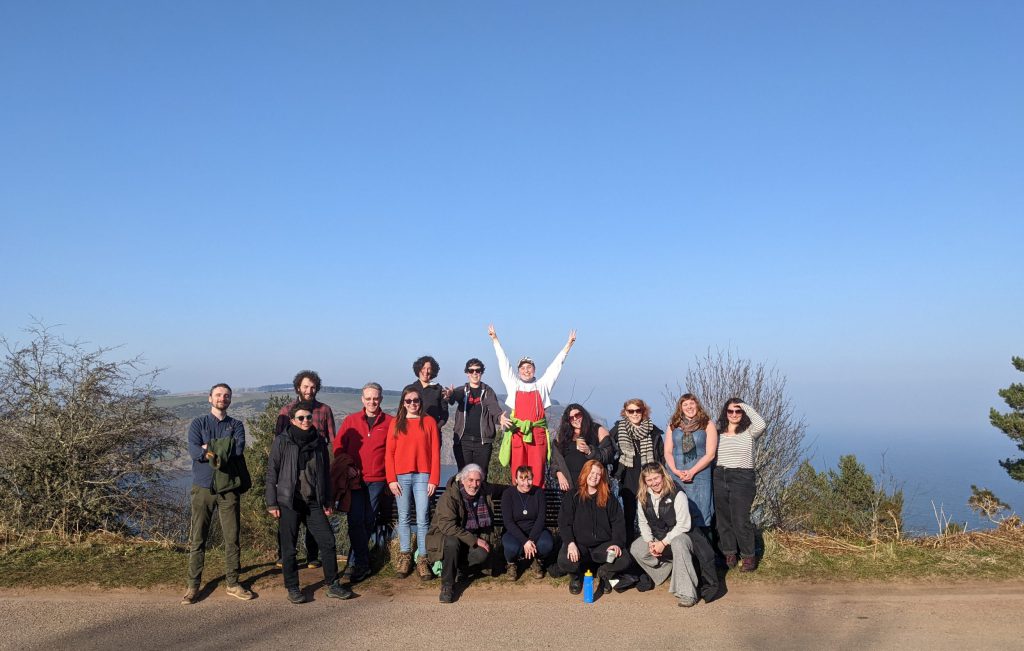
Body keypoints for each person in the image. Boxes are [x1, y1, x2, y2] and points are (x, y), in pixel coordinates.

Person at [266, 401, 353, 604]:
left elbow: (325, 473)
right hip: (289, 501)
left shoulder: (319, 442)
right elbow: (272, 472)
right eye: (301, 418)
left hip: (313, 500)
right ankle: (293, 588)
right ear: (292, 420)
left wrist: (328, 499)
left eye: (308, 417)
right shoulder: (282, 441)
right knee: (289, 548)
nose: (306, 421)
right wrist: (272, 502)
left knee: (328, 542)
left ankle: (333, 584)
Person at [182, 383, 253, 605]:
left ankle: (233, 583)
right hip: (202, 487)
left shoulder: (236, 425)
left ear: (230, 400)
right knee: (198, 538)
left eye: (226, 395)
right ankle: (193, 585)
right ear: (210, 398)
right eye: (219, 395)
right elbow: (194, 451)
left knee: (232, 538)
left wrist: (208, 448)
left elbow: (238, 449)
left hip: (228, 488)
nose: (223, 398)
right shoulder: (198, 423)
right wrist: (220, 449)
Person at [489, 324, 576, 487]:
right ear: (518, 371)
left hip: (537, 434)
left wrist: (568, 346)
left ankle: (537, 507)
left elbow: (555, 367)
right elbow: (503, 363)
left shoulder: (543, 386)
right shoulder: (513, 384)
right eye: (523, 367)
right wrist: (495, 340)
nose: (526, 370)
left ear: (534, 370)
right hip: (519, 433)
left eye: (529, 367)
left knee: (537, 473)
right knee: (518, 472)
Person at [274, 370, 337, 570]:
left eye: (312, 387)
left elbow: (332, 440)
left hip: (315, 466)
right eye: (305, 386)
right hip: (291, 468)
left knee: (314, 512)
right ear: (298, 387)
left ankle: (312, 556)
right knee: (288, 516)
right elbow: (279, 440)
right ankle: (285, 556)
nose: (309, 390)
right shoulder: (286, 411)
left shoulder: (324, 410)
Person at [629, 462, 712, 607]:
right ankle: (666, 572)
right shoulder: (642, 497)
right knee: (636, 548)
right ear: (644, 481)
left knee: (678, 543)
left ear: (663, 476)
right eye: (649, 480)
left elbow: (684, 525)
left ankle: (687, 593)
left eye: (656, 478)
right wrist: (650, 542)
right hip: (658, 536)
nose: (654, 483)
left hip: (684, 536)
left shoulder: (677, 494)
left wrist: (663, 543)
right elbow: (643, 522)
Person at [334, 382, 393, 582]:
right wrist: (347, 466)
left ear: (381, 399)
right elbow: (338, 448)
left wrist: (389, 478)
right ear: (362, 399)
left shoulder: (390, 422)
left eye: (375, 398)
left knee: (368, 521)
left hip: (377, 481)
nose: (372, 402)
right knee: (354, 521)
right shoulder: (351, 421)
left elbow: (393, 453)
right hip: (355, 481)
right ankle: (360, 563)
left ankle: (356, 563)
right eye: (368, 398)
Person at [385, 386, 441, 581]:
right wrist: (391, 479)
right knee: (404, 517)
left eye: (415, 400)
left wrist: (434, 479)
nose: (412, 404)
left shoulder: (429, 422)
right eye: (408, 401)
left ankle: (423, 559)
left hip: (423, 475)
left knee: (423, 517)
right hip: (401, 476)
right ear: (403, 402)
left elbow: (435, 452)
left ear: (420, 402)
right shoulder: (396, 423)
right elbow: (389, 453)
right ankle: (405, 556)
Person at [426, 464, 500, 604]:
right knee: (452, 541)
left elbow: (501, 489)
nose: (474, 484)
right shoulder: (449, 496)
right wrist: (475, 540)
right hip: (446, 540)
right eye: (470, 480)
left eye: (478, 480)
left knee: (482, 553)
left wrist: (522, 487)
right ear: (463, 480)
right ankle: (447, 585)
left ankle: (460, 569)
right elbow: (448, 527)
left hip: (467, 542)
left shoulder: (483, 492)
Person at [557, 459, 630, 596]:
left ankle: (604, 573)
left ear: (601, 477)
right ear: (585, 473)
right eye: (591, 472)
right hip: (579, 545)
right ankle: (576, 577)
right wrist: (570, 543)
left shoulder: (609, 498)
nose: (594, 476)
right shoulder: (573, 495)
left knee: (623, 559)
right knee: (564, 561)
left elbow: (618, 523)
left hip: (603, 546)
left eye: (598, 474)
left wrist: (616, 543)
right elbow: (564, 523)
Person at [714, 398, 767, 572]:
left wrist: (743, 405)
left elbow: (762, 423)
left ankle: (748, 557)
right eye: (730, 411)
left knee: (740, 519)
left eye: (738, 411)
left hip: (742, 478)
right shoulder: (717, 431)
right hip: (720, 475)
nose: (734, 414)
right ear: (725, 413)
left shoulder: (750, 431)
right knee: (723, 519)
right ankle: (729, 554)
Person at [610, 398, 665, 541]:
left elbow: (661, 455)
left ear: (643, 411)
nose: (635, 414)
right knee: (629, 514)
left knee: (651, 513)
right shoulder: (619, 429)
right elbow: (606, 447)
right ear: (625, 413)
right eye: (631, 411)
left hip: (649, 477)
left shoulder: (653, 431)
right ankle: (629, 546)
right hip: (628, 475)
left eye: (638, 410)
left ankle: (653, 545)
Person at [665, 393, 718, 530]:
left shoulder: (707, 424)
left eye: (692, 403)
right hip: (676, 474)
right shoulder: (673, 424)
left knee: (701, 512)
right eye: (685, 404)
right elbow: (668, 451)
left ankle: (704, 548)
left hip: (699, 476)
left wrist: (692, 471)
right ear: (680, 408)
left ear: (697, 405)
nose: (689, 407)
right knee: (677, 512)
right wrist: (675, 471)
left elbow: (710, 454)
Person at [447, 358, 504, 479]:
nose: (474, 373)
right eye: (471, 370)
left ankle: (481, 499)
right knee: (463, 476)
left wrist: (500, 418)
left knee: (481, 476)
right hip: (463, 442)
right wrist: (450, 394)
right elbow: (455, 396)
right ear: (467, 373)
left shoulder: (488, 392)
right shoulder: (463, 390)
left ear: (481, 372)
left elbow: (493, 407)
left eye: (477, 370)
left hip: (483, 443)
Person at [500, 465, 555, 580]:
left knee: (546, 544)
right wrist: (525, 541)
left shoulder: (538, 493)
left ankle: (537, 560)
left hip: (536, 530)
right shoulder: (508, 494)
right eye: (522, 479)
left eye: (529, 479)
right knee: (511, 547)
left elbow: (541, 518)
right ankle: (511, 564)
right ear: (516, 480)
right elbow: (508, 522)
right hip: (514, 531)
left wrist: (531, 539)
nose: (526, 483)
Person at [550, 404, 614, 494]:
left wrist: (590, 451)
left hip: (593, 484)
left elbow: (609, 454)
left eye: (578, 415)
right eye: (571, 418)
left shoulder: (597, 430)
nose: (575, 419)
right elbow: (555, 459)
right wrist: (559, 474)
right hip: (570, 485)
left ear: (583, 414)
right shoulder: (563, 435)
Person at [403, 356, 448, 434]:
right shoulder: (409, 389)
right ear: (418, 369)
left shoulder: (439, 389)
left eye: (429, 368)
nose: (426, 371)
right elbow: (402, 412)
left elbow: (444, 414)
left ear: (433, 371)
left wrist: (436, 428)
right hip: (411, 432)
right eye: (423, 368)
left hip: (432, 433)